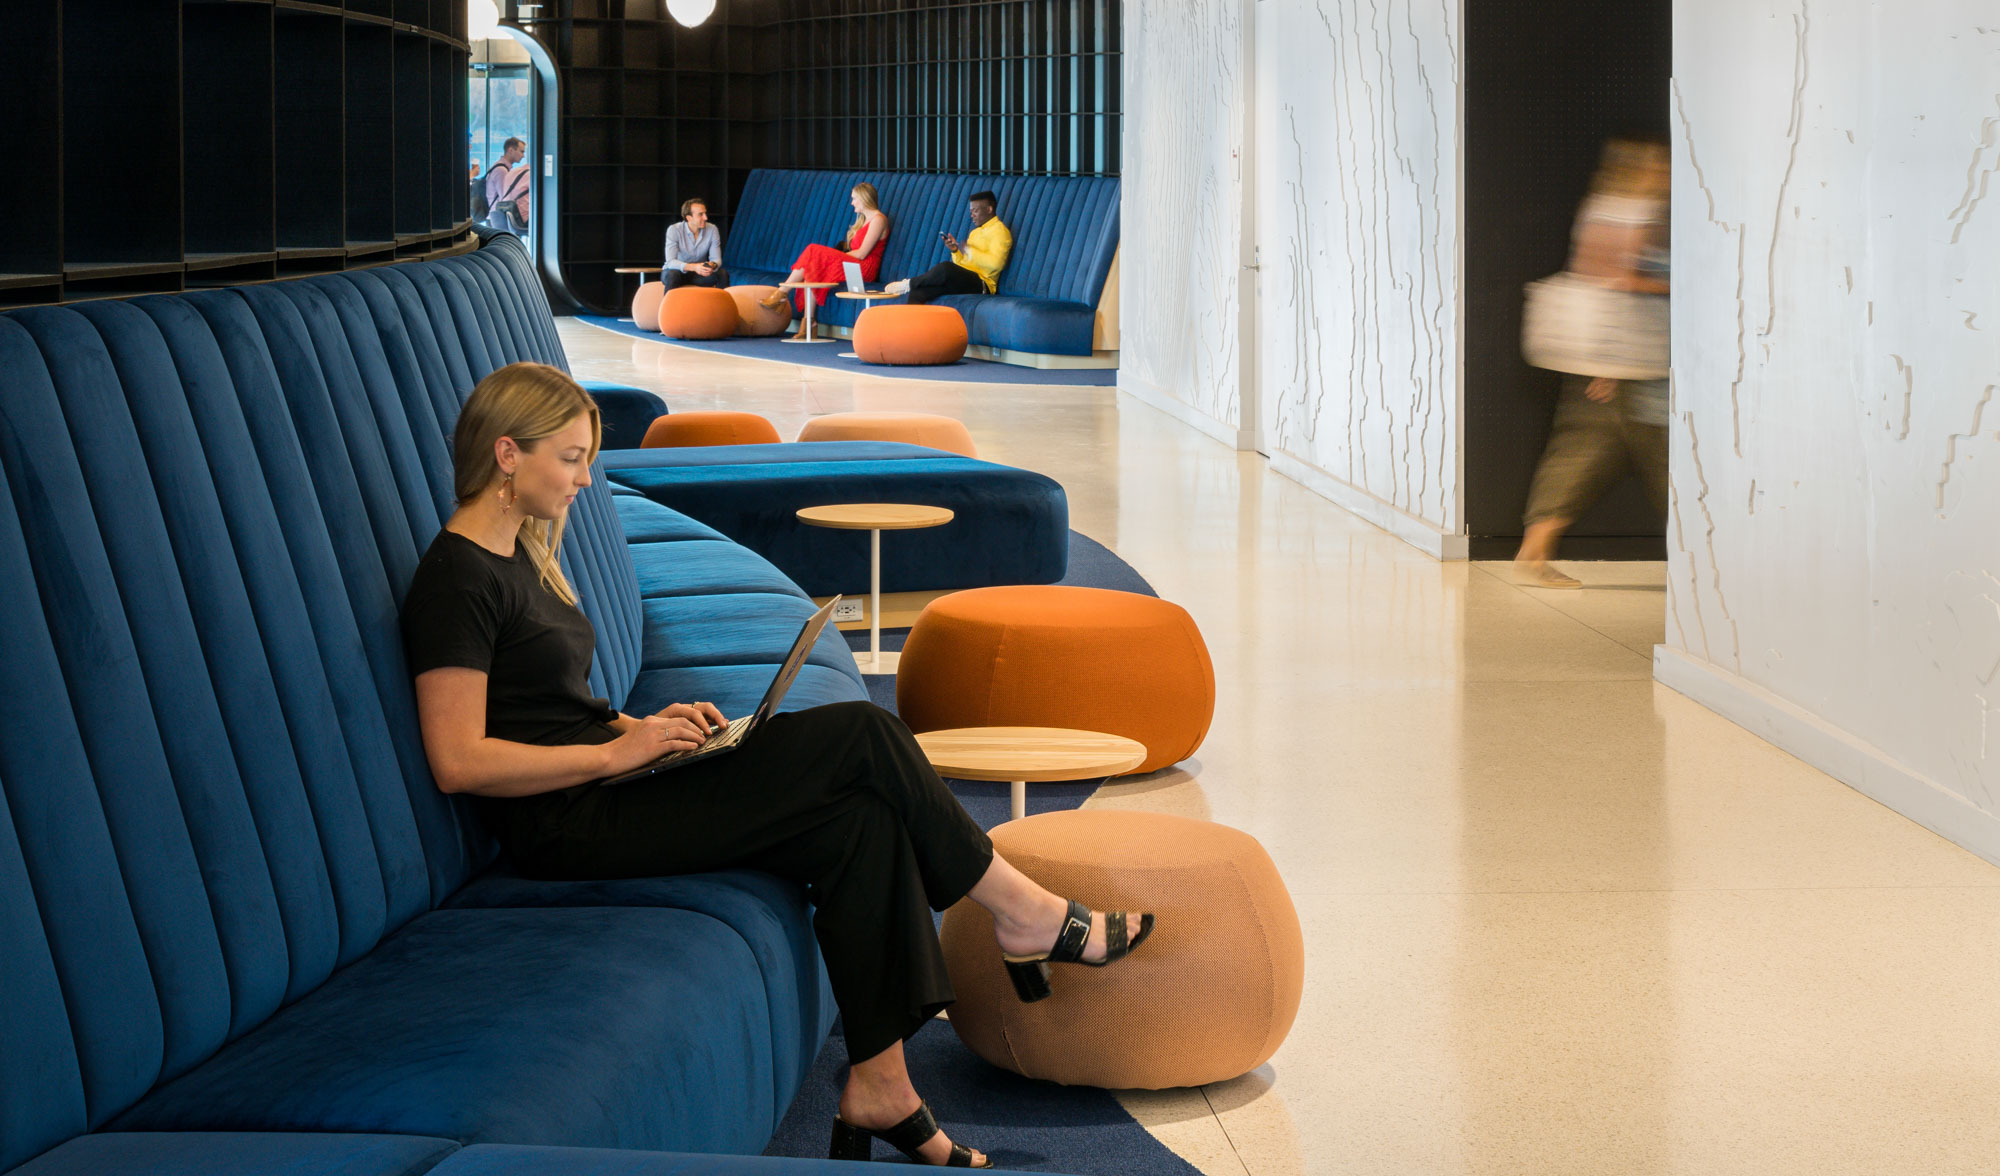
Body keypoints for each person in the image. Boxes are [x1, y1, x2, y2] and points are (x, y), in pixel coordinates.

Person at [400, 362, 1155, 1169]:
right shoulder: (456, 579)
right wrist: (618, 750)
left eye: (590, 457)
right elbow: (458, 760)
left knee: (858, 823)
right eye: (571, 458)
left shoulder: (522, 550)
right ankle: (1023, 912)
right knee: (866, 735)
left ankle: (881, 1082)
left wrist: (643, 725)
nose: (588, 477)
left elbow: (550, 706)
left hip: (609, 780)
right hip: (564, 824)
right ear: (507, 455)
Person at [1514, 138, 1671, 588]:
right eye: (1660, 169)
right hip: (1629, 358)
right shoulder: (1640, 216)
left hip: (1604, 354)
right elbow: (1621, 283)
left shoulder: (1602, 207)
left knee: (1582, 446)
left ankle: (1535, 546)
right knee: (1662, 457)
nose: (1667, 176)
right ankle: (1704, 561)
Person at [760, 183, 890, 341]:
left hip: (864, 269)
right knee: (814, 264)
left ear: (864, 199)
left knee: (814, 251)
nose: (852, 203)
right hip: (853, 264)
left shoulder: (878, 220)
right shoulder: (863, 221)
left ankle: (782, 294)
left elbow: (862, 254)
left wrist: (831, 255)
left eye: (854, 199)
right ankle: (808, 324)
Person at [885, 191, 1011, 305]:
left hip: (983, 285)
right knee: (919, 292)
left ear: (989, 209)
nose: (972, 215)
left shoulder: (1000, 232)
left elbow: (996, 264)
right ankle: (911, 328)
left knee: (945, 268)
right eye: (971, 211)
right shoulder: (975, 232)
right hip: (964, 280)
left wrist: (970, 251)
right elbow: (963, 264)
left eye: (975, 211)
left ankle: (909, 284)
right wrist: (955, 251)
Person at [661, 197, 728, 290]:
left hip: (699, 274)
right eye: (700, 214)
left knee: (722, 273)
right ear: (689, 218)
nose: (706, 217)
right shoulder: (674, 230)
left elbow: (716, 259)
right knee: (672, 275)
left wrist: (711, 265)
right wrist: (694, 267)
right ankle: (668, 305)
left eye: (705, 213)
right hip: (678, 271)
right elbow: (670, 261)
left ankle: (722, 304)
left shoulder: (712, 229)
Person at [484, 138, 532, 236]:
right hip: (499, 216)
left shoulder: (501, 167)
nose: (523, 155)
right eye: (521, 151)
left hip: (496, 216)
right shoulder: (501, 171)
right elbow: (504, 196)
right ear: (510, 150)